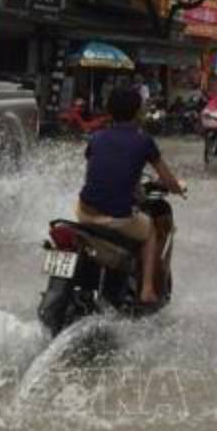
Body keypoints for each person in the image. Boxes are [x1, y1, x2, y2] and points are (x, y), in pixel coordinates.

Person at [77, 88, 186, 305]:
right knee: (150, 232)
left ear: (109, 111)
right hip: (117, 218)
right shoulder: (144, 141)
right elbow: (168, 180)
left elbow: (96, 173)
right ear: (138, 112)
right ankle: (146, 290)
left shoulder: (96, 137)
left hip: (84, 212)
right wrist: (178, 188)